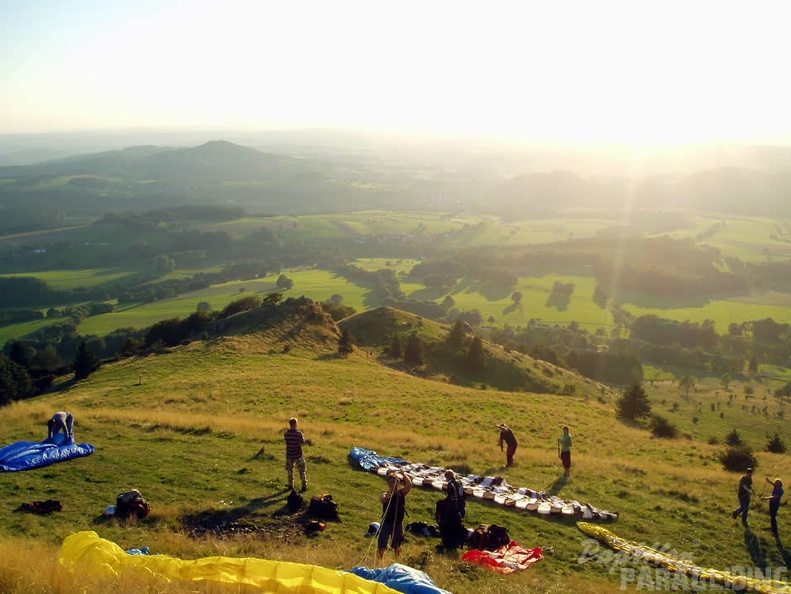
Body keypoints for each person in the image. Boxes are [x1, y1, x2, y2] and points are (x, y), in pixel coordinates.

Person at [377, 470, 412, 565]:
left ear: (398, 482)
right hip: (386, 522)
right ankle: (380, 563)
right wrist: (386, 497)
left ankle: (397, 563)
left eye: (394, 482)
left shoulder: (402, 493)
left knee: (397, 545)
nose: (392, 484)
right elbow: (382, 498)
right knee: (381, 544)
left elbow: (409, 485)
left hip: (397, 523)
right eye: (390, 482)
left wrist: (404, 474)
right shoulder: (386, 494)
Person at [284, 417, 308, 492]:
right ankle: (304, 485)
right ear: (295, 424)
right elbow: (303, 442)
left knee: (290, 470)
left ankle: (291, 485)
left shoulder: (286, 434)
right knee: (302, 470)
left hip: (289, 454)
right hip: (298, 454)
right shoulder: (299, 434)